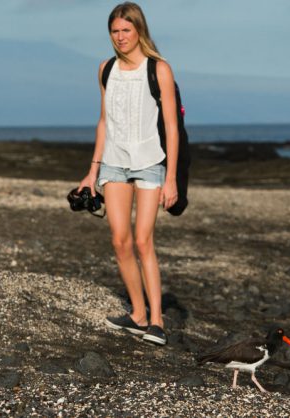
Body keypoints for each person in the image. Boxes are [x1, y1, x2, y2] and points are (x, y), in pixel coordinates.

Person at [77, 2, 179, 346]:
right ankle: (137, 314)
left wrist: (172, 178)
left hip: (150, 161)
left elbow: (171, 126)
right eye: (115, 31)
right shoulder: (106, 69)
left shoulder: (159, 69)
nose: (120, 37)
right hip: (113, 163)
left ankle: (157, 320)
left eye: (126, 30)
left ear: (139, 31)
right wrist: (92, 172)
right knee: (120, 240)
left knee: (142, 240)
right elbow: (104, 121)